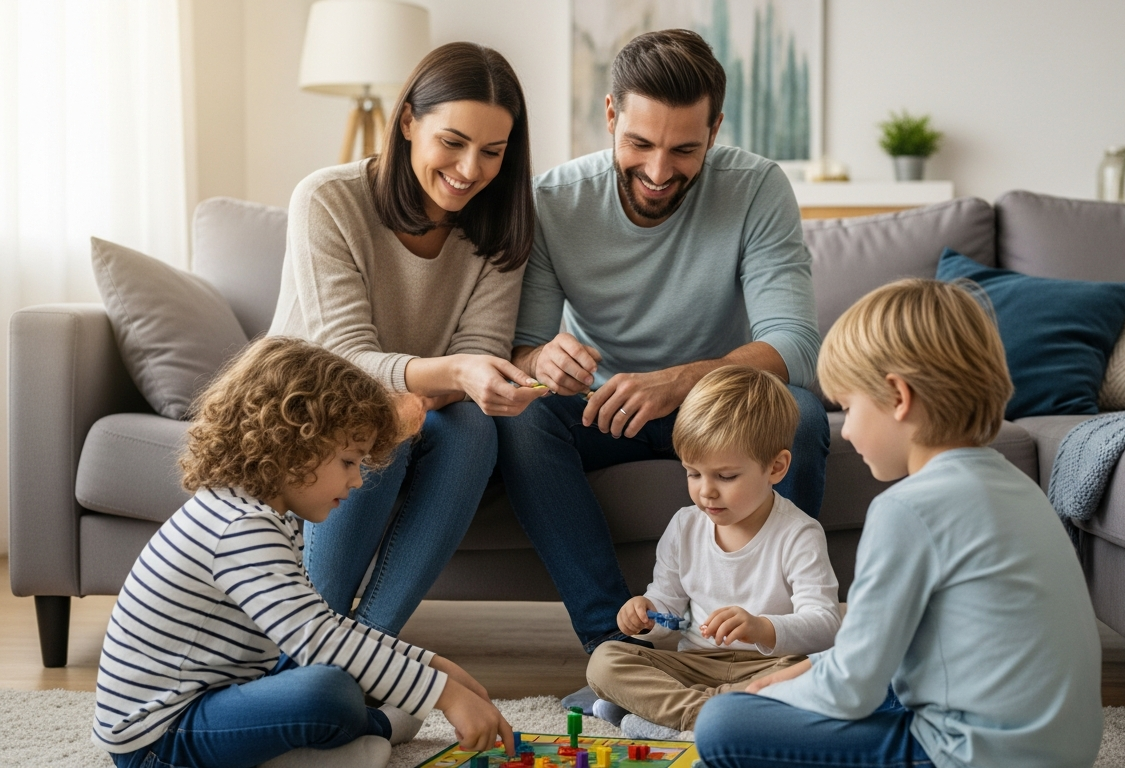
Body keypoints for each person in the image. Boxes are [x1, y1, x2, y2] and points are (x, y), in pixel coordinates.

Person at [497, 28, 830, 661]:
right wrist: (543, 359)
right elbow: (523, 353)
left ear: (715, 130)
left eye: (683, 150)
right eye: (639, 143)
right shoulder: (551, 202)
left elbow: (796, 346)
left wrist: (680, 382)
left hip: (717, 410)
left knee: (803, 414)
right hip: (603, 406)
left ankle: (770, 654)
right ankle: (613, 650)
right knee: (521, 420)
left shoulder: (757, 188)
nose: (657, 172)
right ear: (610, 114)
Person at [694, 279, 1105, 768]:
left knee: (721, 724)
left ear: (897, 396)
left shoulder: (908, 509)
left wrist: (774, 697)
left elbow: (851, 691)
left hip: (963, 757)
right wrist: (804, 670)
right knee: (852, 682)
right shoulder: (1019, 489)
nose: (845, 428)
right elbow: (895, 652)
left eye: (847, 407)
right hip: (1061, 755)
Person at [91, 337, 517, 768]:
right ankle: (360, 736)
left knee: (329, 672)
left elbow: (320, 625)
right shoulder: (240, 527)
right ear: (293, 446)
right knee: (324, 691)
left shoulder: (255, 512)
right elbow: (317, 638)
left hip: (211, 697)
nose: (356, 481)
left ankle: (325, 742)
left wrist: (436, 666)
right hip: (160, 742)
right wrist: (442, 695)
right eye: (349, 462)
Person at [268, 42, 547, 636]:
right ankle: (311, 641)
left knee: (470, 428)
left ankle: (368, 646)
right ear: (408, 122)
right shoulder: (327, 199)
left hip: (420, 409)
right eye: (453, 142)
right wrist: (454, 374)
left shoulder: (501, 227)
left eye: (492, 152)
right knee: (380, 420)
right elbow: (343, 361)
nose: (471, 169)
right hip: (307, 406)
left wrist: (470, 378)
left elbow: (481, 350)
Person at [583, 366, 841, 740]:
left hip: (770, 665)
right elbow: (666, 604)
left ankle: (666, 718)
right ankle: (713, 713)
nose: (706, 492)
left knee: (818, 675)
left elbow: (824, 625)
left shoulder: (799, 533)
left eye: (726, 476)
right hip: (694, 665)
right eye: (693, 473)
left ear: (776, 467)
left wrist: (761, 627)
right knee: (605, 661)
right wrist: (645, 613)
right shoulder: (685, 527)